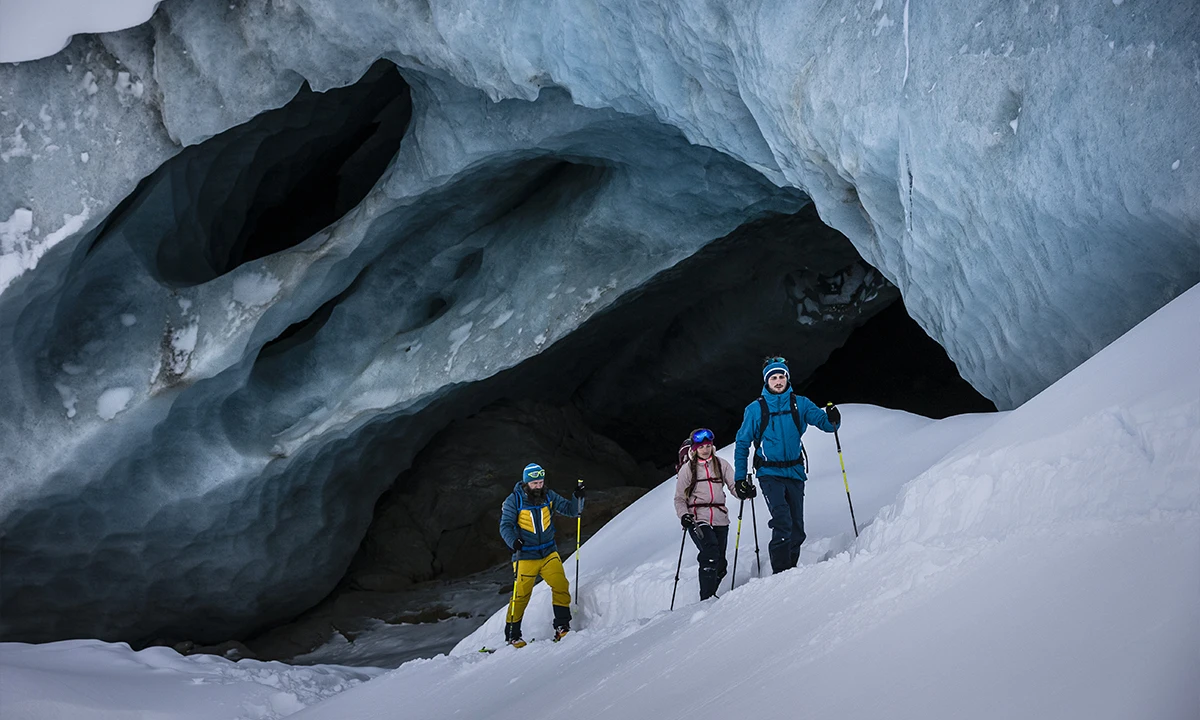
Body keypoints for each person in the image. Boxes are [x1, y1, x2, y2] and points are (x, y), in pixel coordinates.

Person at [733, 357, 841, 574]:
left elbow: (825, 423)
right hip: (769, 472)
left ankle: (790, 573)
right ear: (767, 381)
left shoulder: (800, 403)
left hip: (795, 471)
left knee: (797, 529)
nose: (779, 380)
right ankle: (780, 575)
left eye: (782, 376)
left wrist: (833, 419)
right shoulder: (755, 409)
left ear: (787, 378)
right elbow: (742, 443)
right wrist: (740, 478)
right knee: (782, 520)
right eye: (774, 377)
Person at [498, 463, 586, 646]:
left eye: (541, 482)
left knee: (560, 584)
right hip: (525, 556)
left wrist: (578, 498)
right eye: (534, 483)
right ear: (526, 482)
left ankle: (562, 626)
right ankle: (513, 635)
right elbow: (505, 525)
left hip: (548, 552)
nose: (538, 486)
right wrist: (513, 541)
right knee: (521, 596)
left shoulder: (549, 496)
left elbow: (571, 510)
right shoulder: (514, 500)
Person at [673, 428, 737, 600]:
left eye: (708, 446)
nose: (706, 449)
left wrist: (743, 491)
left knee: (721, 564)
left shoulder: (721, 464)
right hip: (696, 517)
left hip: (720, 517)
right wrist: (684, 515)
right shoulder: (687, 469)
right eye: (701, 447)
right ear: (694, 448)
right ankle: (706, 600)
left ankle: (710, 596)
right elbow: (679, 498)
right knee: (710, 552)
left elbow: (733, 486)